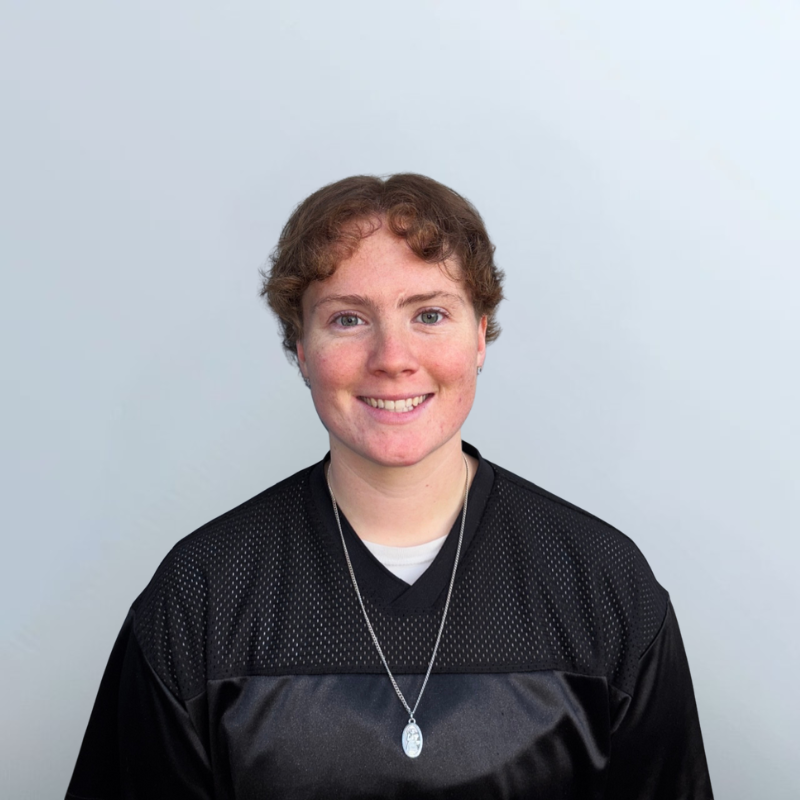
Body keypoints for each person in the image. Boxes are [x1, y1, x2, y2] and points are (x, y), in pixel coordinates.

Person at [67, 174, 713, 798]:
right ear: (299, 346)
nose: (393, 358)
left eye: (429, 314)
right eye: (349, 320)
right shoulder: (201, 595)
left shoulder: (604, 585)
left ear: (482, 334)